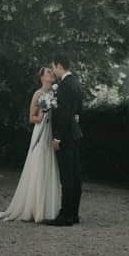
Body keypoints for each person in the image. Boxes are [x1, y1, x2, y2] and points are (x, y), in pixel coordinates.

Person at [0, 67, 62, 223]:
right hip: (40, 133)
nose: (51, 74)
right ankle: (35, 210)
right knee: (38, 165)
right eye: (48, 72)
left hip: (50, 133)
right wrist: (42, 114)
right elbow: (31, 118)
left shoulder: (54, 94)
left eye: (52, 73)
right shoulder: (38, 94)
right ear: (41, 77)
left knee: (48, 166)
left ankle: (47, 209)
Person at [46, 57, 83, 226]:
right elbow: (78, 110)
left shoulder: (64, 85)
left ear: (59, 66)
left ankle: (65, 216)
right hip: (75, 134)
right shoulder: (75, 81)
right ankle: (73, 214)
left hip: (66, 136)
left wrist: (57, 137)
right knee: (75, 176)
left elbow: (63, 114)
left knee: (67, 177)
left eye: (53, 67)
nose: (53, 70)